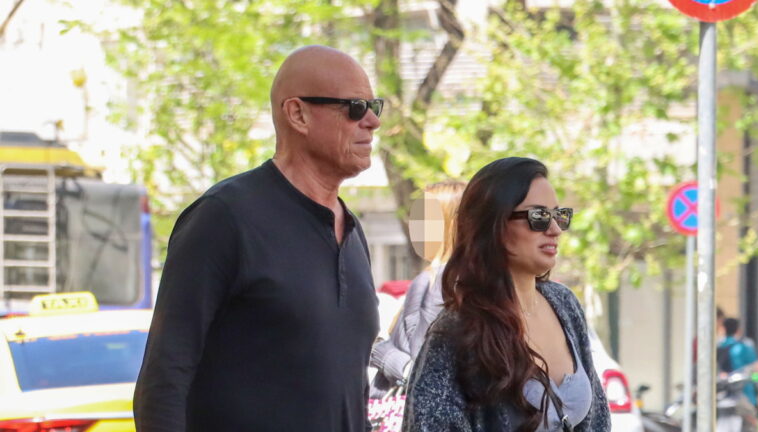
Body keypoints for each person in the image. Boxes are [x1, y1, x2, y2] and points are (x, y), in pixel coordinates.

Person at [133, 45, 383, 432]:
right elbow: (164, 379)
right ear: (297, 114)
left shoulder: (351, 231)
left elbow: (346, 393)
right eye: (354, 107)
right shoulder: (224, 217)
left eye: (374, 106)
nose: (372, 122)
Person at [402, 157, 611, 431]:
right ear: (495, 225)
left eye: (560, 216)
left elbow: (597, 420)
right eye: (539, 217)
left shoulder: (564, 303)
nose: (555, 229)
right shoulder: (457, 330)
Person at [369, 180, 466, 397]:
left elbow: (420, 368)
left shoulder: (437, 281)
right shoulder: (471, 278)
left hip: (404, 407)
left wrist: (379, 351)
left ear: (451, 224)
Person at [717, 317, 758, 408]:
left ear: (724, 329)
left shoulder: (719, 347)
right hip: (745, 396)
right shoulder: (744, 347)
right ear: (738, 330)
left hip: (724, 395)